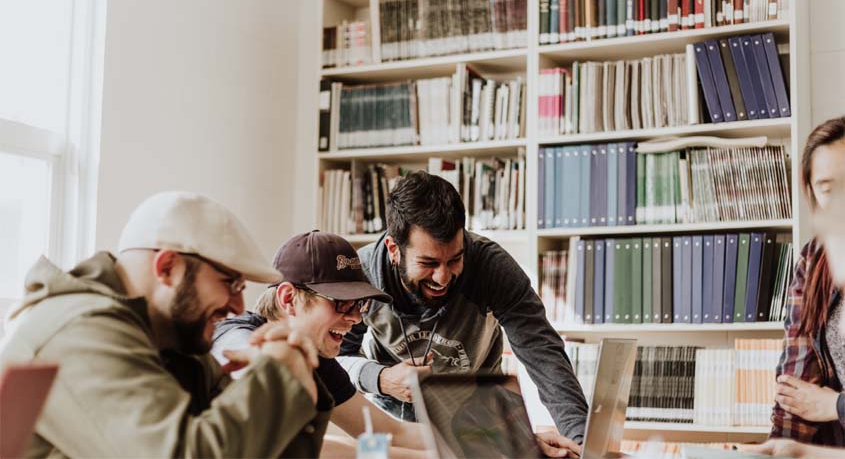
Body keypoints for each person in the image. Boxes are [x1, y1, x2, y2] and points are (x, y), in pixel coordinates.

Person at [0, 192, 331, 457]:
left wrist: (298, 372)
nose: (238, 306)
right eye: (229, 283)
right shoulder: (80, 331)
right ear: (168, 266)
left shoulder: (172, 341)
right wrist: (278, 374)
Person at [337, 170, 588, 453]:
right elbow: (336, 359)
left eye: (455, 259)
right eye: (428, 263)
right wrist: (380, 379)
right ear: (394, 249)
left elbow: (542, 352)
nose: (443, 277)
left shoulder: (491, 267)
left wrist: (582, 442)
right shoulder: (363, 273)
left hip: (479, 421)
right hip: (394, 427)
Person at [211, 230, 429, 459]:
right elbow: (295, 448)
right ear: (288, 299)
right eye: (342, 303)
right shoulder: (236, 337)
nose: (356, 318)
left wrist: (461, 440)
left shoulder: (316, 357)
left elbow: (392, 431)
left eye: (359, 304)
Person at [769, 118, 845, 446]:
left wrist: (835, 405)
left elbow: (822, 403)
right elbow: (795, 387)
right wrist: (777, 449)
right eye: (828, 189)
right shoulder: (814, 260)